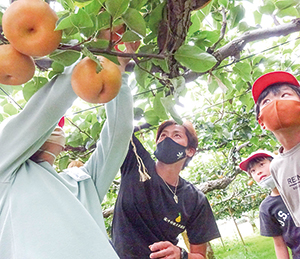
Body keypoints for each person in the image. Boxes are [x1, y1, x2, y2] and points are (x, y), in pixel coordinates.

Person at [0, 55, 133, 258]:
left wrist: (119, 74)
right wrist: (91, 60)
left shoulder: (82, 181)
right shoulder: (6, 169)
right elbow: (47, 108)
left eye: (60, 127)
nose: (55, 128)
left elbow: (119, 134)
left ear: (62, 148)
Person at [111, 120, 220, 259]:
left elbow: (200, 256)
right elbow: (118, 126)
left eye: (176, 135)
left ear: (190, 151)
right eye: (163, 135)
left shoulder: (195, 199)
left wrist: (181, 255)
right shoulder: (137, 164)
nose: (167, 139)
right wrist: (151, 120)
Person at [252, 71, 300, 227]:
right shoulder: (277, 167)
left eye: (285, 95)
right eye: (266, 101)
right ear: (261, 122)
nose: (276, 103)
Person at [239, 150, 300, 258]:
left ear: (276, 163)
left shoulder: (296, 187)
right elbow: (279, 245)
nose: (258, 172)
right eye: (253, 171)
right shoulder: (266, 208)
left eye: (261, 165)